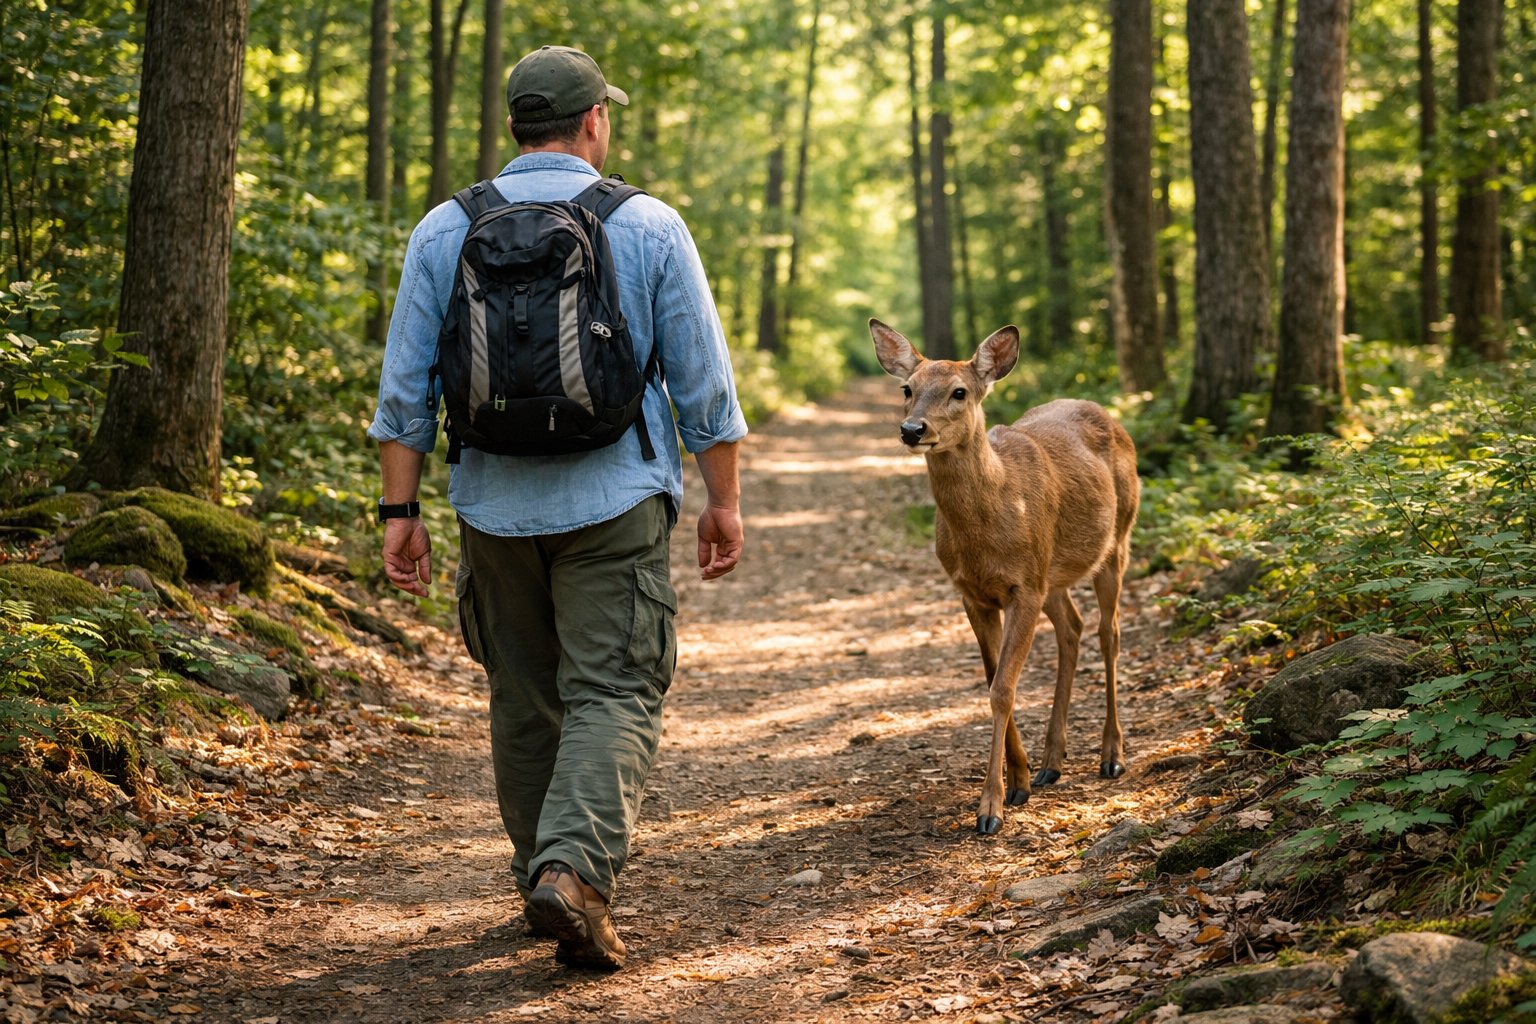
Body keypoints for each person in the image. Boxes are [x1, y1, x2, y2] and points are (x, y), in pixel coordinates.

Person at [368, 44, 747, 971]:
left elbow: (404, 391)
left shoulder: (441, 230)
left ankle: (538, 868)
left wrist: (399, 512)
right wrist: (723, 500)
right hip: (613, 499)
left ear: (512, 128)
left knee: (525, 696)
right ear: (593, 123)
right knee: (614, 687)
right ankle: (572, 875)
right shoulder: (649, 225)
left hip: (491, 504)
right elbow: (705, 386)